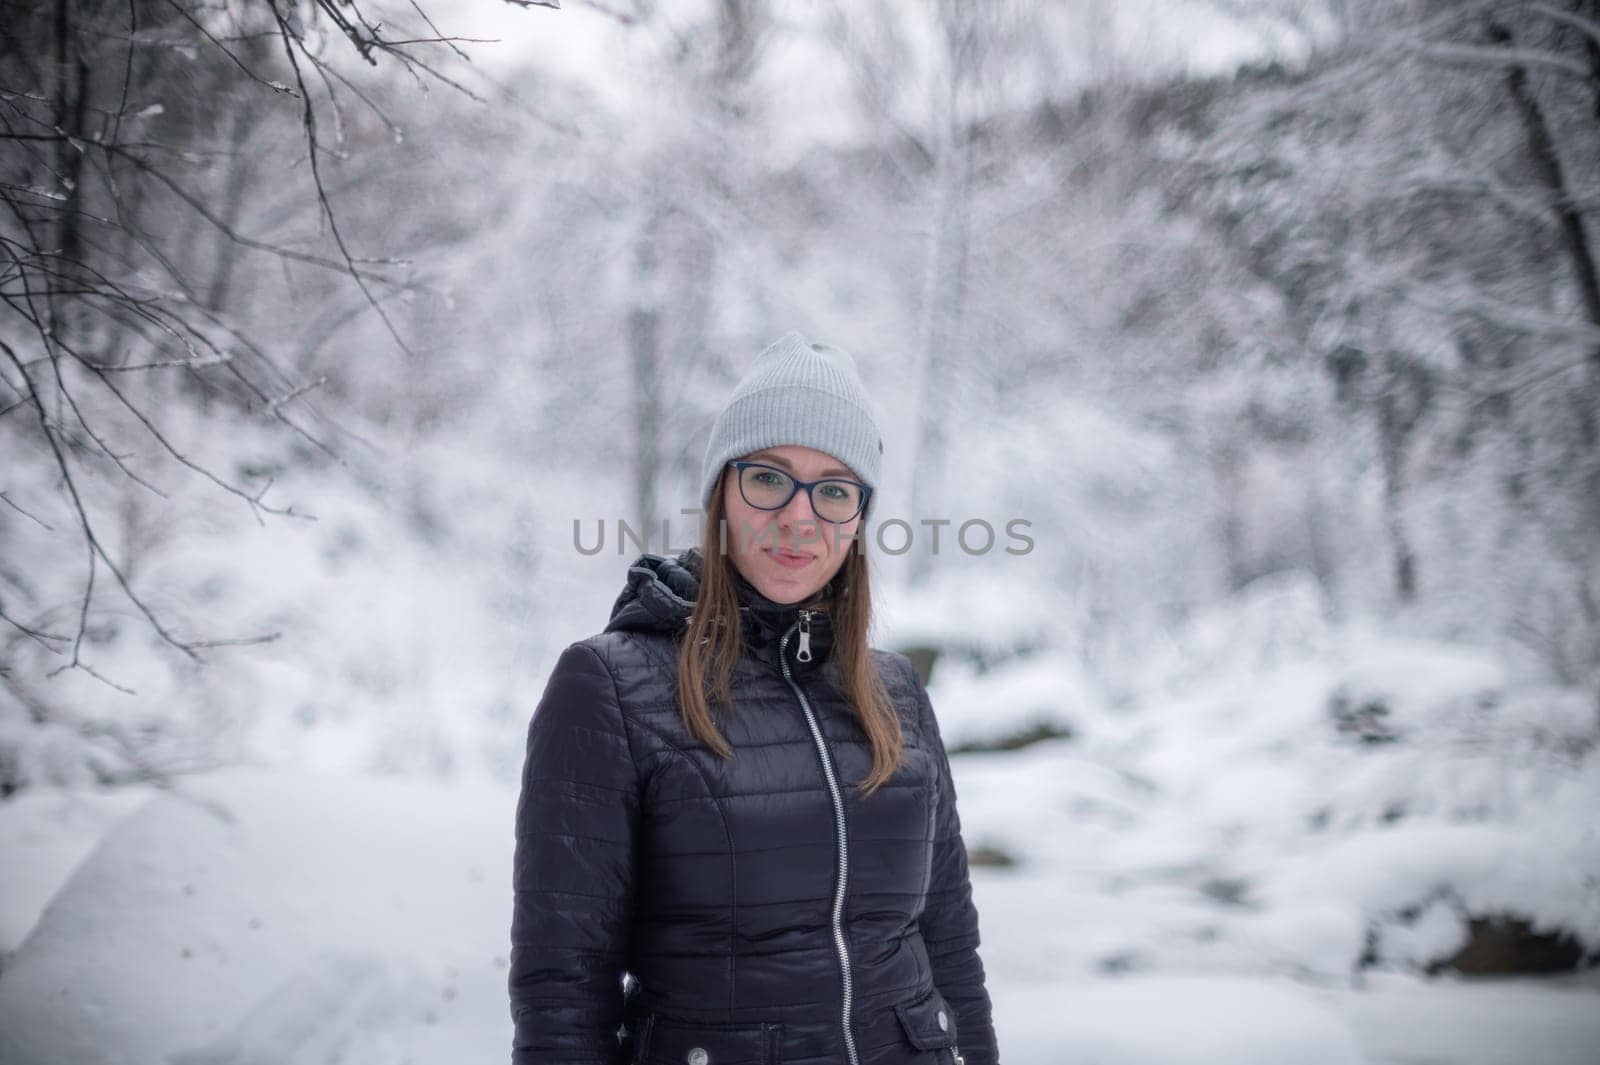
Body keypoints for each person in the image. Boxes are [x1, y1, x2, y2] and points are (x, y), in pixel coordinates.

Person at [509, 331, 999, 1065]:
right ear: (721, 492)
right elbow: (563, 994)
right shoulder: (610, 687)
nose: (801, 517)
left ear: (859, 516)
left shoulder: (897, 693)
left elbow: (950, 944)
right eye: (769, 478)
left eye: (835, 490)